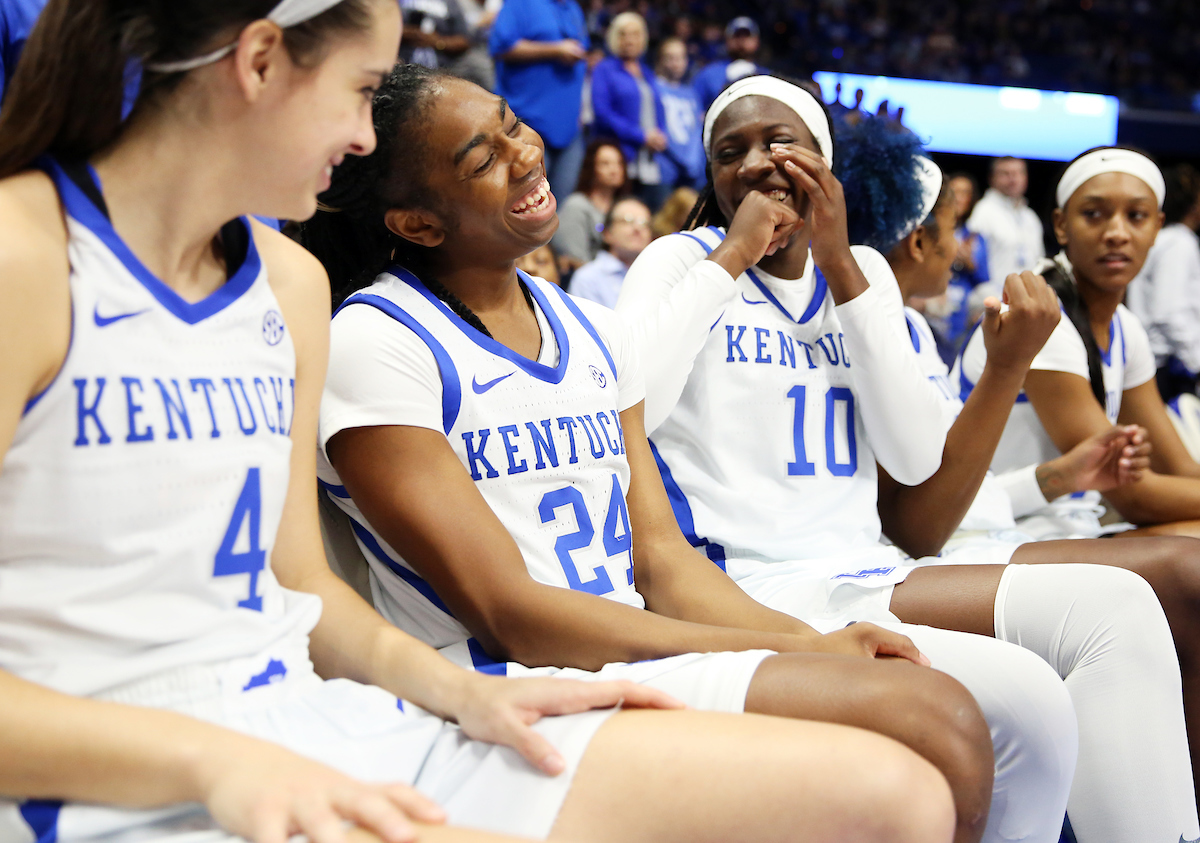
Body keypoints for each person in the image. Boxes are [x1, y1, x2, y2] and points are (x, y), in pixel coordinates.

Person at [0, 5, 961, 843]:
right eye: (361, 88)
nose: (362, 142)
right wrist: (210, 762)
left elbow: (301, 592)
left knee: (898, 799)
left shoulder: (287, 284)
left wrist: (465, 694)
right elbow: (499, 604)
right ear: (258, 65)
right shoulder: (24, 258)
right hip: (122, 774)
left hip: (317, 716)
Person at [302, 64, 1003, 843]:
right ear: (419, 224)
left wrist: (812, 643)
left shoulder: (590, 328)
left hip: (636, 655)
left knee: (936, 711)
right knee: (927, 731)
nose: (525, 152)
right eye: (483, 158)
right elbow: (513, 614)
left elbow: (663, 558)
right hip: (509, 685)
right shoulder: (376, 341)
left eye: (511, 122)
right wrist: (782, 642)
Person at [616, 78, 1199, 842]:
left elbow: (916, 454)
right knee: (1026, 698)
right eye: (732, 151)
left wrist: (841, 265)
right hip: (751, 583)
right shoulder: (679, 260)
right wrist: (731, 255)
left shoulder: (863, 275)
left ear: (823, 163)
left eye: (780, 142)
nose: (758, 161)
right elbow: (630, 404)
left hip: (868, 568)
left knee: (1121, 609)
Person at [488, 0, 588, 200]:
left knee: (558, 209)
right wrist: (555, 49)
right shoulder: (520, 4)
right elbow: (500, 47)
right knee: (522, 203)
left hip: (569, 129)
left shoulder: (572, 8)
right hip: (527, 123)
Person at [1125, 163, 1200, 401]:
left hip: (1153, 362)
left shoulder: (1163, 239)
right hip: (1164, 367)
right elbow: (1168, 312)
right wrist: (1195, 361)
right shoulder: (1178, 242)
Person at [589, 12, 667, 209]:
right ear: (614, 37)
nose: (629, 40)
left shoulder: (647, 72)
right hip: (619, 156)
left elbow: (657, 108)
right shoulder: (605, 69)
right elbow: (602, 113)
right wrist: (641, 136)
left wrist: (661, 134)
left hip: (649, 159)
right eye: (623, 34)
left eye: (635, 34)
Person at [922, 171, 989, 363]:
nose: (959, 198)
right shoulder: (929, 232)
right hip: (931, 307)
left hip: (962, 315)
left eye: (964, 193)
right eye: (955, 192)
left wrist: (970, 263)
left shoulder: (975, 237)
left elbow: (985, 280)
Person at [965, 156, 1044, 294]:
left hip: (1027, 298)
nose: (1013, 179)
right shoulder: (983, 211)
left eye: (1018, 173)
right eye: (1005, 174)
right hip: (991, 299)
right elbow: (972, 262)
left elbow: (1039, 263)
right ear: (992, 178)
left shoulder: (1030, 217)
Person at [550, 139, 627, 270]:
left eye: (618, 163)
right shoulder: (576, 205)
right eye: (605, 164)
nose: (614, 170)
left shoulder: (626, 207)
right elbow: (574, 260)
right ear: (592, 167)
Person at [568, 197, 651, 307]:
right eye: (628, 221)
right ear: (607, 233)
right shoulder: (588, 278)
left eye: (644, 223)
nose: (637, 228)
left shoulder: (656, 276)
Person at [653, 37, 706, 193]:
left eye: (681, 57)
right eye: (671, 58)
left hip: (692, 171)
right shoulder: (653, 88)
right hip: (664, 169)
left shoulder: (691, 94)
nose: (676, 63)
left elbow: (696, 131)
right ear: (660, 60)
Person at [690, 17, 766, 113]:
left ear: (756, 40)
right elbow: (693, 107)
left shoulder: (766, 76)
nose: (742, 40)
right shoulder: (708, 74)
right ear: (727, 40)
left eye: (747, 35)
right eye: (737, 35)